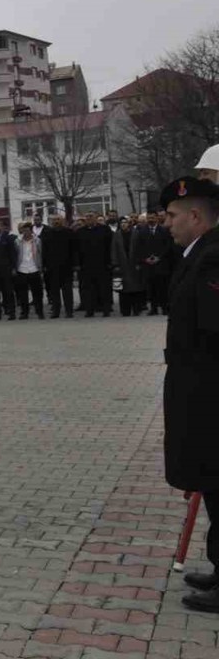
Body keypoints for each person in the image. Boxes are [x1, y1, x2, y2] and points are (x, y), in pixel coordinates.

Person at [157, 177, 219, 614]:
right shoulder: (199, 254)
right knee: (214, 485)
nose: (166, 223)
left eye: (173, 216)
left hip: (210, 393)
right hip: (200, 390)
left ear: (195, 217)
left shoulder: (214, 259)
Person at [75, 212, 114, 317]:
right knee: (88, 289)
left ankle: (106, 309)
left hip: (103, 264)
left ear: (96, 218)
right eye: (87, 217)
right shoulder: (80, 232)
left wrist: (110, 262)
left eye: (91, 217)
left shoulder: (105, 230)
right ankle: (89, 310)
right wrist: (78, 264)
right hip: (86, 265)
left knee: (104, 288)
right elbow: (76, 250)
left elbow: (110, 247)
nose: (89, 219)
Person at [136, 210, 174, 315]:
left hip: (161, 264)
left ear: (156, 218)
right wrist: (145, 259)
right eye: (149, 218)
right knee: (151, 287)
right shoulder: (142, 232)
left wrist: (159, 257)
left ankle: (164, 307)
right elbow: (138, 247)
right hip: (148, 264)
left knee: (162, 286)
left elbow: (168, 246)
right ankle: (153, 308)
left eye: (152, 217)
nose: (150, 220)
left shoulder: (164, 231)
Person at [40, 215, 76, 318]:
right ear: (51, 222)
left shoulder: (69, 232)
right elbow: (44, 251)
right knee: (54, 291)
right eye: (54, 220)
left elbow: (73, 249)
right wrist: (44, 265)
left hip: (66, 266)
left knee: (67, 291)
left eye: (58, 220)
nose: (56, 221)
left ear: (62, 221)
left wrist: (74, 264)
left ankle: (69, 311)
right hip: (52, 267)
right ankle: (56, 311)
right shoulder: (47, 233)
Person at [14, 222, 45, 320]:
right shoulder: (17, 241)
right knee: (23, 294)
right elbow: (15, 254)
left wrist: (41, 267)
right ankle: (24, 313)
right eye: (24, 230)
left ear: (31, 230)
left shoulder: (37, 240)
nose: (25, 232)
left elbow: (41, 253)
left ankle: (39, 312)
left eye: (27, 230)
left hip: (34, 269)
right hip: (22, 269)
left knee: (38, 293)